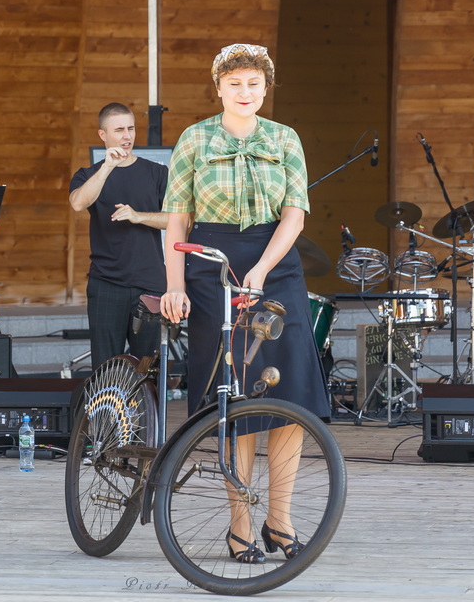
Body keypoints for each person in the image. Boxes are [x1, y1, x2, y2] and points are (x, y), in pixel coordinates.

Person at [160, 44, 329, 565]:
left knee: (290, 396)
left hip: (275, 264)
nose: (245, 92)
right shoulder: (195, 137)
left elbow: (295, 213)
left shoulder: (285, 138)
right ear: (219, 88)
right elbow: (176, 219)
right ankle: (239, 526)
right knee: (233, 398)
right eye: (235, 83)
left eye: (254, 83)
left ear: (264, 88)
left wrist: (262, 268)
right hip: (211, 264)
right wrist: (175, 285)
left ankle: (279, 521)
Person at [69, 103, 169, 368]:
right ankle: (107, 412)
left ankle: (146, 412)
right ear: (103, 135)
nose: (127, 136)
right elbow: (78, 203)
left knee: (148, 368)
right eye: (119, 130)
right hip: (106, 283)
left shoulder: (157, 173)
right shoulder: (88, 175)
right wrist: (107, 168)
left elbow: (179, 220)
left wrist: (139, 216)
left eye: (131, 128)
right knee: (105, 367)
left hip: (150, 283)